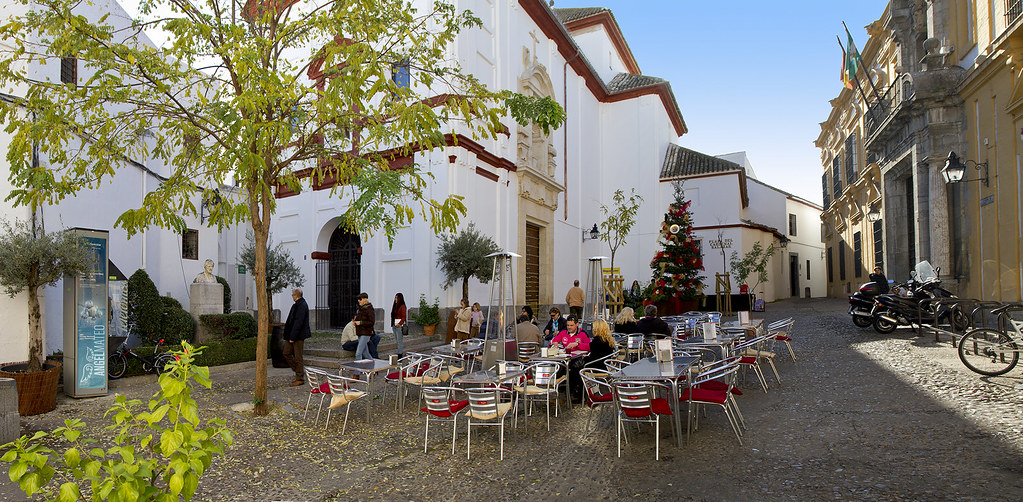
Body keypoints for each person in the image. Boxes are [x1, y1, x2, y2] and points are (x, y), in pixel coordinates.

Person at [550, 316, 590, 403]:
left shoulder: (583, 334)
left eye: (571, 325)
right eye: (568, 325)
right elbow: (553, 341)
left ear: (577, 324)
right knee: (556, 368)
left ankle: (579, 394)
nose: (569, 327)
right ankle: (557, 391)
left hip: (578, 359)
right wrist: (554, 343)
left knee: (576, 368)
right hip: (565, 358)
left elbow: (589, 346)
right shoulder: (563, 332)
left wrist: (577, 344)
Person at [282, 288, 311, 386]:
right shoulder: (298, 305)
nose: (292, 297)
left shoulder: (301, 305)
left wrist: (292, 336)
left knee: (298, 356)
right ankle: (299, 372)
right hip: (292, 334)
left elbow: (298, 322)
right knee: (286, 353)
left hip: (297, 335)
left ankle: (300, 377)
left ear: (296, 295)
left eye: (292, 295)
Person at [352, 292, 376, 360]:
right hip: (360, 332)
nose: (358, 300)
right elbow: (358, 318)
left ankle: (357, 370)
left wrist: (361, 323)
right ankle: (373, 368)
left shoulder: (369, 309)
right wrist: (356, 322)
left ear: (365, 299)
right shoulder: (360, 309)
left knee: (358, 353)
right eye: (358, 299)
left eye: (360, 299)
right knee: (365, 353)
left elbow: (371, 322)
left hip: (365, 333)